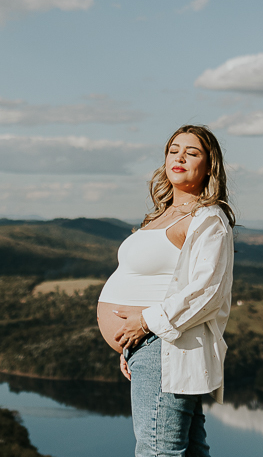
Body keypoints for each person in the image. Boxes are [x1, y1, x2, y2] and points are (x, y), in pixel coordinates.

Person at [96, 124, 236, 457]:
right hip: (150, 347)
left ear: (209, 165)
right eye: (174, 150)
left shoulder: (207, 219)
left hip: (164, 346)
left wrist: (143, 325)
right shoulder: (162, 215)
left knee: (158, 451)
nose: (180, 157)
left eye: (192, 152)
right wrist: (131, 345)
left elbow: (208, 291)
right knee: (187, 451)